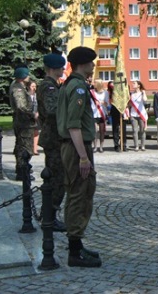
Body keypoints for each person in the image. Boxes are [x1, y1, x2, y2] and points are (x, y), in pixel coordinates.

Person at [56, 46, 101, 268]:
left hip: (74, 148)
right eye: (91, 62)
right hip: (77, 148)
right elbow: (74, 126)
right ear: (83, 64)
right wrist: (84, 158)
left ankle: (77, 244)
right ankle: (75, 252)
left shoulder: (71, 85)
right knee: (79, 195)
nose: (93, 66)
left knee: (77, 192)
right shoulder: (79, 88)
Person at [37, 52, 67, 232]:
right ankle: (49, 216)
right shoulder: (48, 86)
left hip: (55, 137)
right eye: (61, 67)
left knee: (57, 178)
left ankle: (48, 214)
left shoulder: (52, 85)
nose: (63, 69)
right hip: (54, 138)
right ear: (53, 68)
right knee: (57, 179)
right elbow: (51, 110)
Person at [9, 65, 36, 181]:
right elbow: (20, 106)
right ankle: (22, 172)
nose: (29, 77)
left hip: (22, 122)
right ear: (22, 77)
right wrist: (32, 114)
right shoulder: (18, 88)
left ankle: (21, 169)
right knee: (25, 148)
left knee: (20, 146)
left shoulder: (19, 86)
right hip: (24, 123)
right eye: (27, 74)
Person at [107, 81, 128, 152]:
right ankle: (116, 145)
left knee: (123, 129)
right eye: (111, 86)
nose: (112, 86)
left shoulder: (123, 91)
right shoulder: (110, 93)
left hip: (122, 110)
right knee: (115, 128)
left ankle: (123, 144)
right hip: (114, 110)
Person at [129, 80, 148, 151]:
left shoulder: (142, 93)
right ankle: (136, 146)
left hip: (141, 114)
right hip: (133, 114)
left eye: (134, 83)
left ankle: (142, 145)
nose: (133, 84)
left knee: (142, 130)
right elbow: (130, 104)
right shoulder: (131, 94)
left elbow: (145, 100)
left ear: (139, 85)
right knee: (134, 130)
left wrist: (144, 93)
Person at [90, 79, 109, 153]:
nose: (93, 83)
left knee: (102, 131)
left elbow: (107, 103)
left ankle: (101, 147)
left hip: (102, 114)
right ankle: (95, 147)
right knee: (95, 131)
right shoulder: (91, 92)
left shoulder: (106, 93)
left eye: (94, 82)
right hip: (94, 114)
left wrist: (101, 102)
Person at [27, 80, 40, 155]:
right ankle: (29, 148)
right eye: (32, 86)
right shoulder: (26, 95)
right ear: (29, 87)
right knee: (29, 133)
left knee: (36, 132)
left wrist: (38, 113)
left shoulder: (37, 96)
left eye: (35, 86)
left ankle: (35, 149)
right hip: (28, 116)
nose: (34, 88)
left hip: (36, 116)